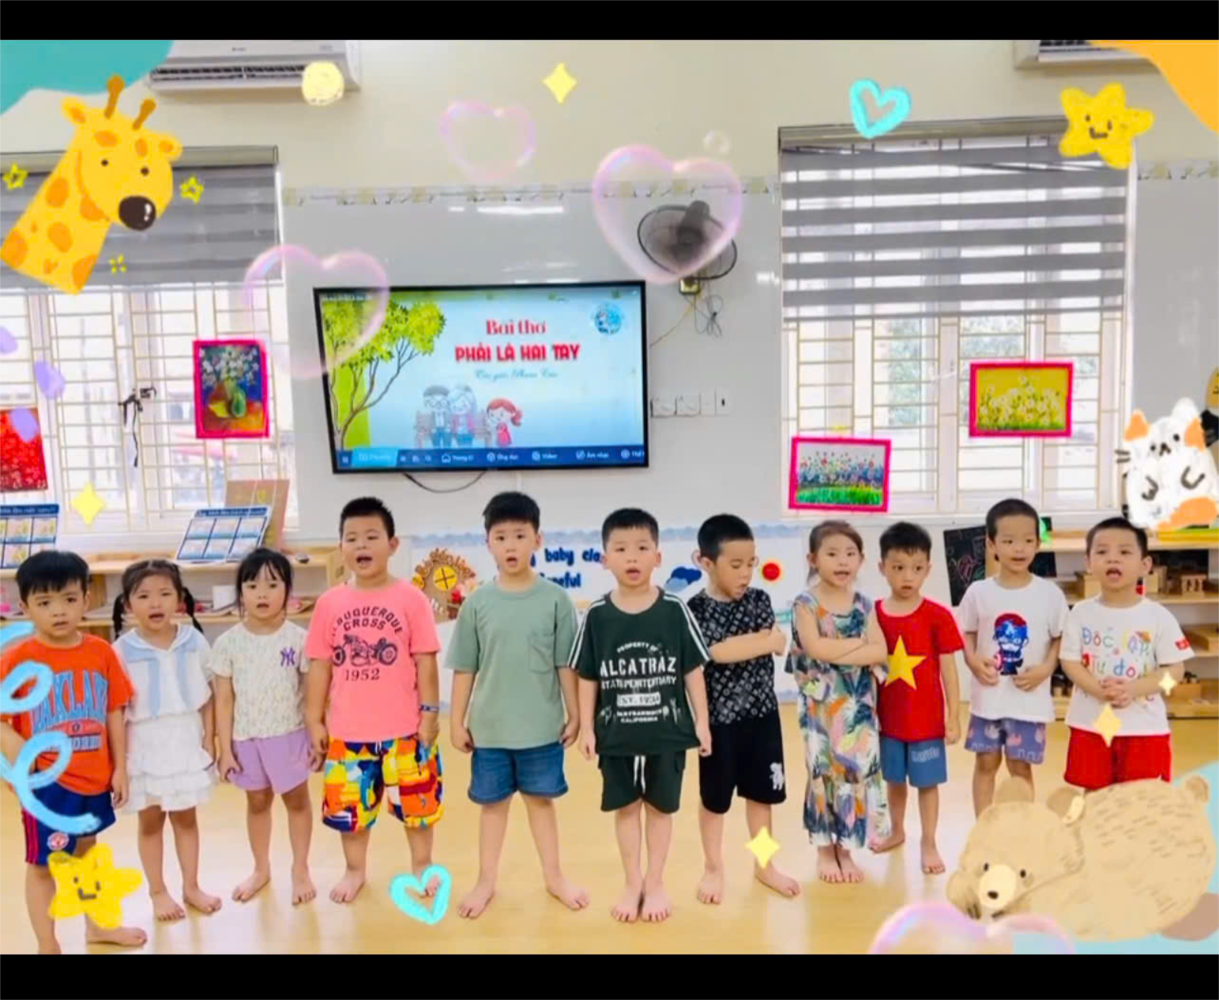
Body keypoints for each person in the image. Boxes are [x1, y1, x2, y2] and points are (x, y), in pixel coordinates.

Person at [448, 492, 587, 919]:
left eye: (520, 535)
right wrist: (456, 722)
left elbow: (565, 663)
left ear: (537, 540)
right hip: (489, 730)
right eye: (501, 537)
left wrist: (576, 713)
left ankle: (555, 877)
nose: (511, 545)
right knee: (493, 807)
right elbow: (465, 668)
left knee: (541, 803)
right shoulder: (477, 603)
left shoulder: (556, 600)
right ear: (488, 543)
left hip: (542, 729)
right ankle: (485, 881)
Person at [0, 550, 145, 954]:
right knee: (43, 864)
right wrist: (21, 758)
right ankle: (47, 943)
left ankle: (97, 927)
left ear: (86, 598)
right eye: (45, 602)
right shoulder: (17, 660)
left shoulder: (101, 652)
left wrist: (120, 768)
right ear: (25, 607)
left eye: (68, 598)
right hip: (47, 786)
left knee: (87, 852)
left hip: (93, 779)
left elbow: (114, 709)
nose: (59, 611)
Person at [573, 508, 712, 924]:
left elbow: (692, 670)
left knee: (660, 808)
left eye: (641, 547)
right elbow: (587, 675)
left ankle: (655, 882)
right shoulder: (597, 615)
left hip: (667, 733)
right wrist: (586, 727)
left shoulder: (674, 610)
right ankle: (632, 881)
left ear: (658, 556)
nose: (631, 557)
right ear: (605, 559)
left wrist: (702, 722)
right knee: (626, 808)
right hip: (616, 735)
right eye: (620, 549)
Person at [305, 497, 443, 904]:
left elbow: (426, 661)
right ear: (341, 547)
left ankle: (422, 866)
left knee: (418, 809)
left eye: (371, 536)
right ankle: (355, 871)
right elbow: (319, 666)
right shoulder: (329, 603)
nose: (361, 545)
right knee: (350, 814)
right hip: (348, 735)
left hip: (406, 731)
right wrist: (314, 720)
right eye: (351, 538)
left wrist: (430, 714)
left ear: (393, 545)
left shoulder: (411, 599)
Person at [687, 514, 797, 905]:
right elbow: (717, 652)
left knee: (762, 798)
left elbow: (775, 643)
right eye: (735, 565)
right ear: (706, 562)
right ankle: (713, 866)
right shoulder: (696, 608)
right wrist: (764, 642)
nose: (746, 573)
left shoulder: (759, 599)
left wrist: (759, 643)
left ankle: (764, 865)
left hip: (763, 717)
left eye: (751, 563)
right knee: (714, 802)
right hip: (719, 723)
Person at [111, 559, 221, 921]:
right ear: (128, 604)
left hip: (185, 743)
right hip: (144, 746)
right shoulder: (121, 650)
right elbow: (116, 710)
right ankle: (157, 891)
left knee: (186, 819)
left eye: (164, 594)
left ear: (179, 599)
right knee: (150, 822)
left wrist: (210, 741)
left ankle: (191, 886)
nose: (155, 603)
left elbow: (209, 696)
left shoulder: (194, 641)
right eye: (143, 596)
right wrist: (119, 763)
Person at [786, 521, 890, 885]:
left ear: (861, 559)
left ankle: (846, 847)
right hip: (820, 707)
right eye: (832, 554)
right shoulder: (806, 603)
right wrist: (858, 646)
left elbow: (880, 650)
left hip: (857, 704)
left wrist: (843, 650)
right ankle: (823, 849)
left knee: (856, 771)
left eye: (850, 554)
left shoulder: (864, 603)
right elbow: (815, 649)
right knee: (823, 770)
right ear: (813, 559)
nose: (842, 561)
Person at [212, 547, 315, 906]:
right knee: (257, 802)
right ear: (240, 592)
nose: (262, 594)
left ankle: (300, 869)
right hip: (246, 739)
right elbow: (224, 700)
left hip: (289, 735)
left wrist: (317, 734)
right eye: (252, 585)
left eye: (272, 585)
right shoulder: (227, 644)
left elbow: (312, 693)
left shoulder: (299, 639)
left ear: (288, 591)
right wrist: (225, 749)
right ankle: (261, 868)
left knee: (297, 801)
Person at [1059, 517, 1191, 791]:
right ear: (1088, 562)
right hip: (1092, 724)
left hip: (1144, 727)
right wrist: (1098, 690)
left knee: (1140, 799)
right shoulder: (1080, 613)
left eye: (1124, 552)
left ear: (1145, 565)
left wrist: (1134, 689)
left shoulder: (1158, 616)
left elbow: (1174, 671)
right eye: (1102, 551)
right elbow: (1069, 661)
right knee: (1095, 795)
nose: (1113, 559)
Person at [958, 499, 1067, 816]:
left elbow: (1061, 637)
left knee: (1020, 768)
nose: (1019, 548)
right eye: (1008, 541)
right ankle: (983, 825)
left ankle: (1021, 828)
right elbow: (965, 632)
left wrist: (1046, 668)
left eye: (1028, 540)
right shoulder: (978, 592)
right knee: (985, 763)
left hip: (1028, 703)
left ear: (1037, 543)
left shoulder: (1050, 594)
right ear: (991, 544)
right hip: (988, 700)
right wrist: (972, 661)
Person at [869, 523, 964, 876]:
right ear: (882, 567)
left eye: (916, 568)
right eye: (898, 567)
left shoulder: (938, 615)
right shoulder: (873, 614)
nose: (908, 576)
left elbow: (949, 670)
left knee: (927, 783)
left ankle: (929, 841)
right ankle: (896, 830)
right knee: (894, 781)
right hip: (887, 721)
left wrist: (953, 716)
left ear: (928, 569)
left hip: (926, 722)